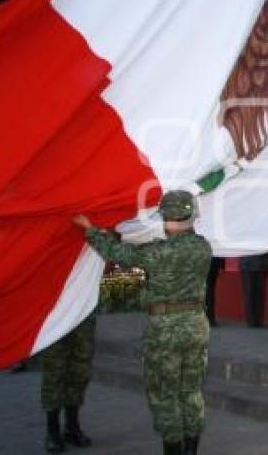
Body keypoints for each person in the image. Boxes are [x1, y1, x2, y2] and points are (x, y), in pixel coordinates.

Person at [74, 190, 213, 455]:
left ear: (166, 217)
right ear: (191, 216)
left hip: (165, 329)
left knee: (164, 394)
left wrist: (90, 229)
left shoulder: (158, 252)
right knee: (191, 391)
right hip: (196, 325)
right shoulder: (203, 247)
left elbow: (116, 253)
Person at [40, 314, 96, 452]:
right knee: (53, 371)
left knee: (80, 369)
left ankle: (72, 427)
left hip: (83, 309)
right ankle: (52, 432)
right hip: (54, 312)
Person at [239, 253, 268, 328]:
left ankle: (257, 319)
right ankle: (253, 320)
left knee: (258, 293)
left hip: (260, 264)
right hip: (249, 264)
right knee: (251, 293)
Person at [205, 257, 224, 327]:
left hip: (207, 266)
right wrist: (222, 266)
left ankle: (208, 317)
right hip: (214, 266)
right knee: (210, 292)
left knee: (208, 292)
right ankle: (210, 317)